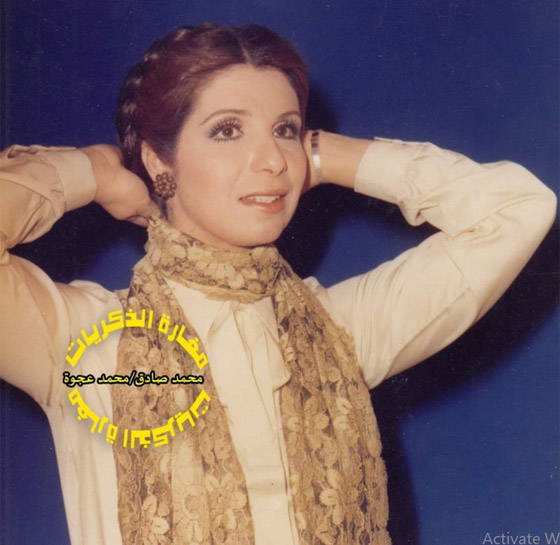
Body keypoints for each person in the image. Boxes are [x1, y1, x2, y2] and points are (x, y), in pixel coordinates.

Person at [0, 22, 556, 545]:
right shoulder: (86, 343)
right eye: (227, 130)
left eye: (285, 130)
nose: (271, 159)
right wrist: (92, 171)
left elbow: (516, 209)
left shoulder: (342, 330)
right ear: (157, 161)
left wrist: (324, 155)